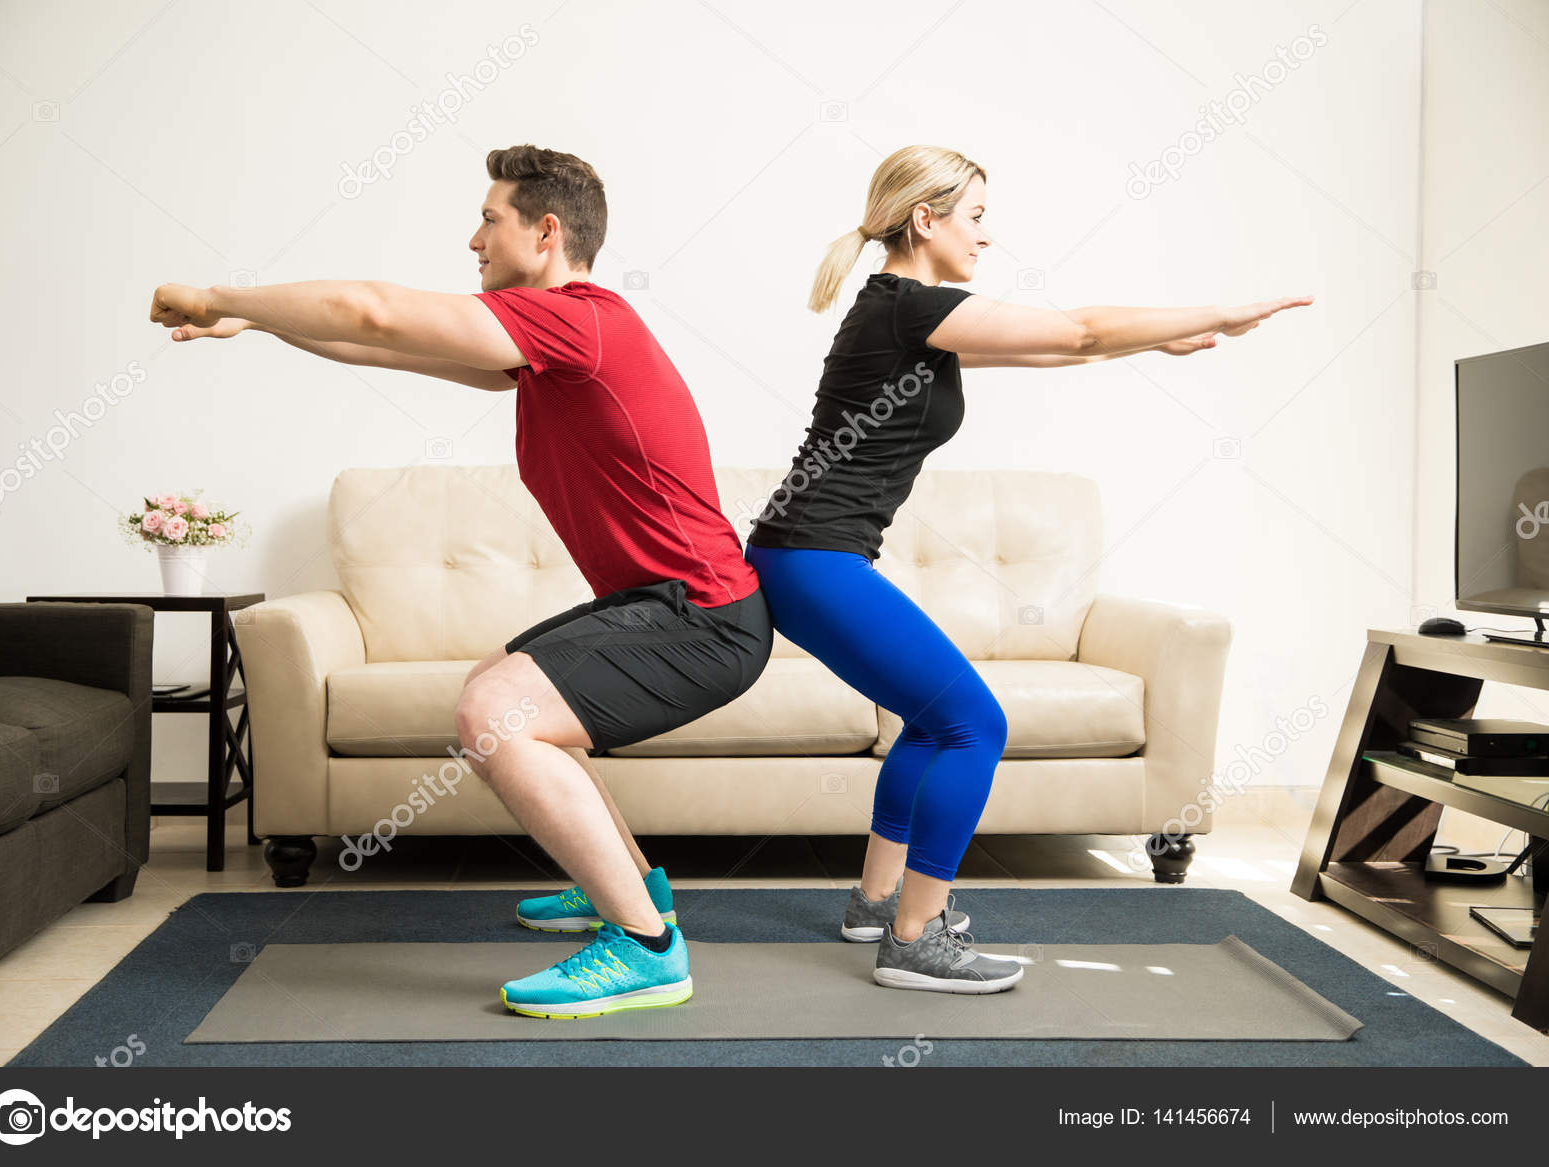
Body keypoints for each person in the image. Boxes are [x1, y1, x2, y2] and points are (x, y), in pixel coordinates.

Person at [149, 143, 774, 1019]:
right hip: (669, 607)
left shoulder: (580, 320)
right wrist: (259, 325)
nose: (473, 238)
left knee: (495, 717)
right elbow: (385, 348)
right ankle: (631, 889)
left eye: (490, 218)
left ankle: (644, 948)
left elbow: (370, 311)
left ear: (545, 232)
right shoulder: (550, 345)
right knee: (494, 687)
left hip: (705, 615)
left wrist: (219, 294)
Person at [744, 144, 1312, 994]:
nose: (985, 236)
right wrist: (1220, 312)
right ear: (925, 219)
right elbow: (1076, 328)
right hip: (811, 558)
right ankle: (916, 937)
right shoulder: (908, 306)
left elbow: (1061, 350)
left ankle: (878, 903)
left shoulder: (910, 315)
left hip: (809, 555)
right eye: (974, 217)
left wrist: (1151, 347)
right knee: (977, 725)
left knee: (934, 721)